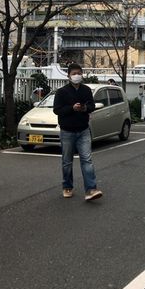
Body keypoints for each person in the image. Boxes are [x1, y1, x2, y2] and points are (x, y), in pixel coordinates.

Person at [53, 63, 102, 201]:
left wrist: (84, 108)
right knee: (67, 161)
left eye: (79, 73)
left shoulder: (86, 90)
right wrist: (72, 108)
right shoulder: (61, 92)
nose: (77, 76)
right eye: (74, 73)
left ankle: (91, 189)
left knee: (87, 160)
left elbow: (92, 106)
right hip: (67, 131)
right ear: (68, 76)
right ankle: (67, 186)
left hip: (83, 130)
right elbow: (57, 110)